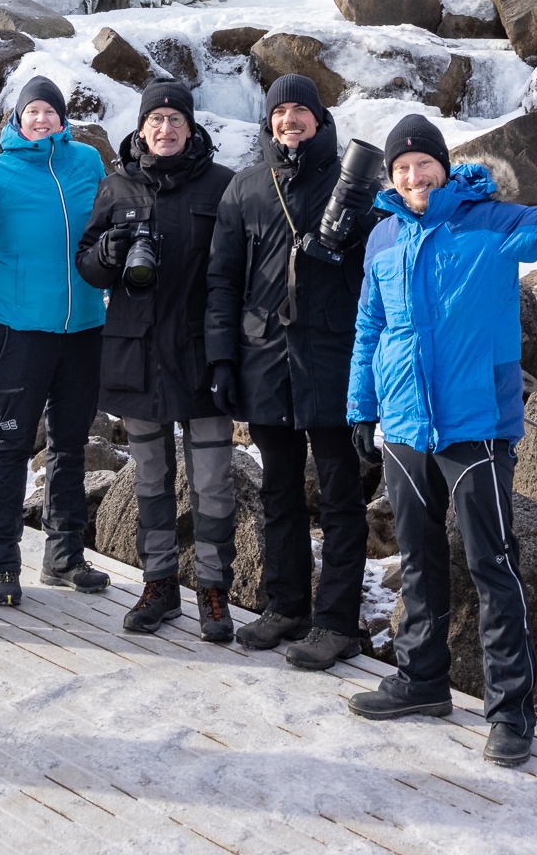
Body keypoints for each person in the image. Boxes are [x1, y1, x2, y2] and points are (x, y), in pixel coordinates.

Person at [346, 111, 537, 768]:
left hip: (476, 426)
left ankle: (511, 713)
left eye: (423, 164)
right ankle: (422, 681)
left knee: (493, 565)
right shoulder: (382, 237)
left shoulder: (491, 221)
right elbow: (370, 327)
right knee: (418, 558)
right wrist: (361, 408)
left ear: (443, 164)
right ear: (392, 176)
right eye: (402, 168)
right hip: (404, 426)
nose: (414, 177)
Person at [204, 73, 382, 670]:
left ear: (319, 118)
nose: (289, 121)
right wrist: (222, 360)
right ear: (269, 121)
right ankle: (286, 607)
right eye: (279, 112)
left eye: (299, 111)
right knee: (279, 491)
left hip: (332, 358)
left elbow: (379, 277)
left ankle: (336, 622)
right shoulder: (247, 187)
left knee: (340, 498)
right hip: (264, 361)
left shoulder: (356, 184)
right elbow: (222, 280)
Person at [0, 74, 108, 607]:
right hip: (18, 328)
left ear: (62, 118)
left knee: (70, 444)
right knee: (12, 444)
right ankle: (3, 561)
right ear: (17, 118)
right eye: (33, 111)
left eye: (50, 111)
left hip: (84, 326)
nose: (42, 118)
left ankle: (64, 556)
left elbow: (110, 224)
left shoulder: (87, 162)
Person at [77, 79, 236, 642]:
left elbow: (237, 270)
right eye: (156, 120)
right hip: (137, 355)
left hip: (201, 353)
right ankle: (160, 584)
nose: (165, 129)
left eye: (175, 120)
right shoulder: (116, 186)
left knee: (213, 481)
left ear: (191, 128)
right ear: (141, 128)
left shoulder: (222, 185)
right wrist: (106, 253)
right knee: (150, 477)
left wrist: (231, 353)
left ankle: (214, 590)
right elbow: (88, 266)